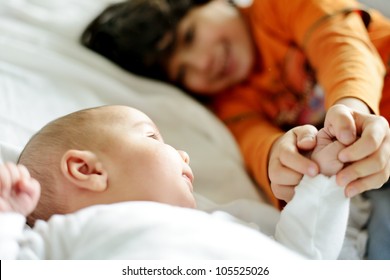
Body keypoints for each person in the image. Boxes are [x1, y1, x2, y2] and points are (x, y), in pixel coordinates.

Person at [80, 0, 390, 259]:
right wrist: (280, 161)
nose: (202, 62)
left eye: (189, 36)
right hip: (372, 178)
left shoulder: (279, 6)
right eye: (183, 71)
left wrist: (352, 110)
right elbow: (256, 145)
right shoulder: (230, 104)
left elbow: (341, 46)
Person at [0, 105, 349, 260]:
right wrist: (9, 216)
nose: (182, 153)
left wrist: (323, 178)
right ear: (88, 171)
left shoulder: (224, 221)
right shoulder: (65, 235)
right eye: (153, 136)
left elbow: (303, 252)